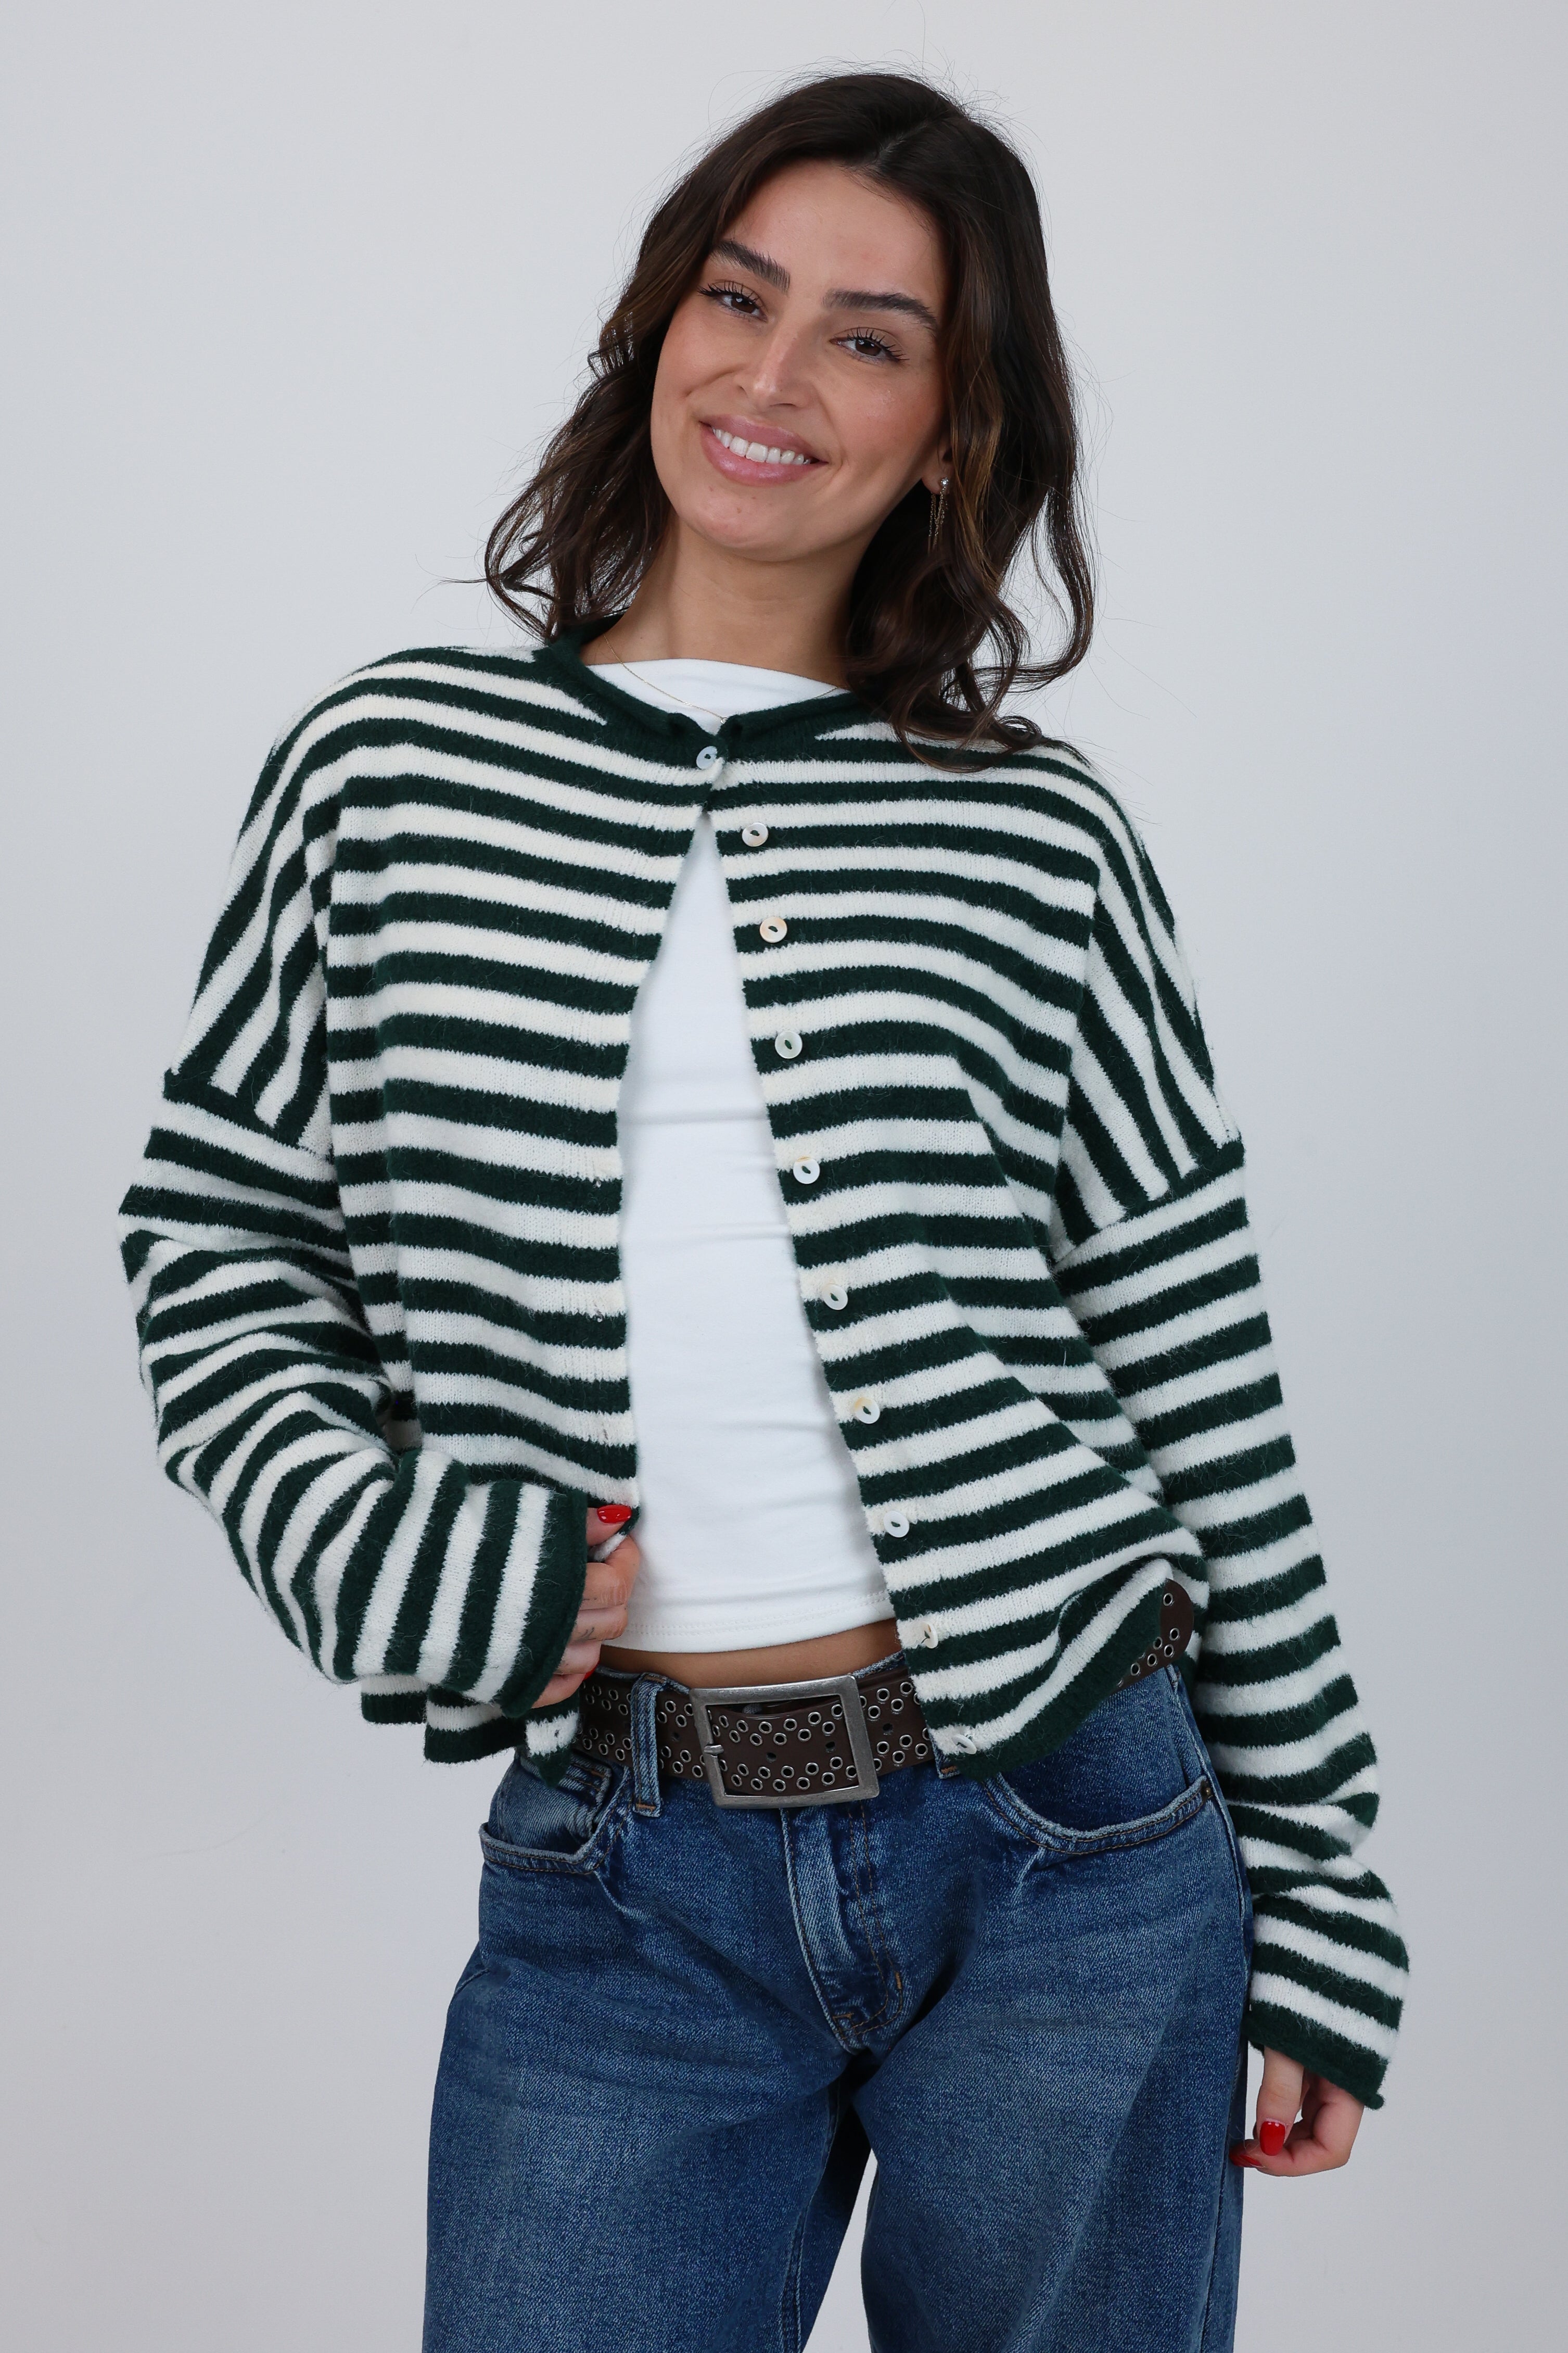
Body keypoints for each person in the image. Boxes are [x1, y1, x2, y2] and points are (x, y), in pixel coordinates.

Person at [120, 69, 1407, 2353]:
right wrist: (395, 1543)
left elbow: (1193, 1361)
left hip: (1073, 1837)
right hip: (624, 1863)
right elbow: (218, 1237)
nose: (773, 376)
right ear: (657, 325)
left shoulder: (1033, 832)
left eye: (869, 336)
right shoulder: (389, 764)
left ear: (954, 428)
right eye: (739, 296)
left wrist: (1319, 1893)